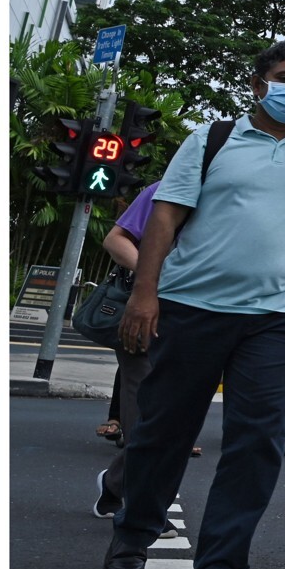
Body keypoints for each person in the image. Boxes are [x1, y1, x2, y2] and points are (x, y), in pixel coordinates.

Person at [102, 41, 285, 569]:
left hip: (280, 318)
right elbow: (165, 217)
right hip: (194, 307)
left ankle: (221, 568)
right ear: (258, 84)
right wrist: (145, 295)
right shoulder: (212, 139)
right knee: (164, 429)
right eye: (284, 77)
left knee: (257, 442)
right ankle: (134, 530)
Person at [92, 181, 183, 537]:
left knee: (173, 416)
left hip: (194, 321)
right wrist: (152, 280)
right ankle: (142, 505)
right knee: (146, 408)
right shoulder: (167, 189)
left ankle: (115, 484)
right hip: (144, 311)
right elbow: (115, 239)